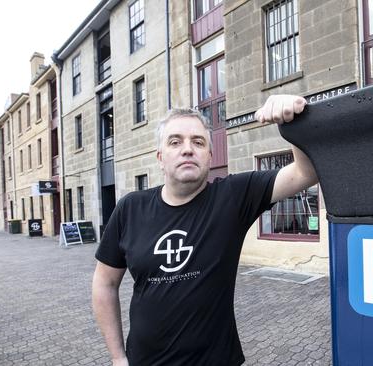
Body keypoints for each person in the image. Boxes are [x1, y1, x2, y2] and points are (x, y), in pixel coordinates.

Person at [92, 95, 317, 366]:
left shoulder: (233, 197)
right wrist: (117, 357)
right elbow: (105, 283)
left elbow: (305, 174)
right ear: (160, 157)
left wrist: (292, 125)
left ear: (210, 156)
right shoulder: (130, 209)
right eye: (175, 142)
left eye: (198, 142)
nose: (188, 149)